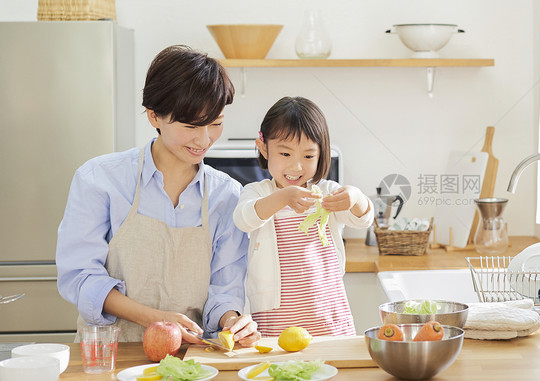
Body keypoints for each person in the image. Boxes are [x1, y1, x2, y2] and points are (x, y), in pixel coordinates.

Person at [56, 45, 260, 346]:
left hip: (194, 360)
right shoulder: (100, 179)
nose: (204, 140)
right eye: (191, 126)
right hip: (112, 354)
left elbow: (224, 290)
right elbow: (80, 277)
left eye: (215, 124)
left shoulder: (227, 195)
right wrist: (153, 318)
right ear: (154, 116)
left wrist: (234, 321)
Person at [233, 96, 373, 337]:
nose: (296, 167)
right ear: (264, 148)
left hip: (328, 314)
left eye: (308, 156)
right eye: (285, 154)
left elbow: (363, 219)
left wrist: (356, 196)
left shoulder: (327, 192)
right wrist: (284, 197)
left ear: (321, 154)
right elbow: (244, 219)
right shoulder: (259, 193)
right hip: (276, 320)